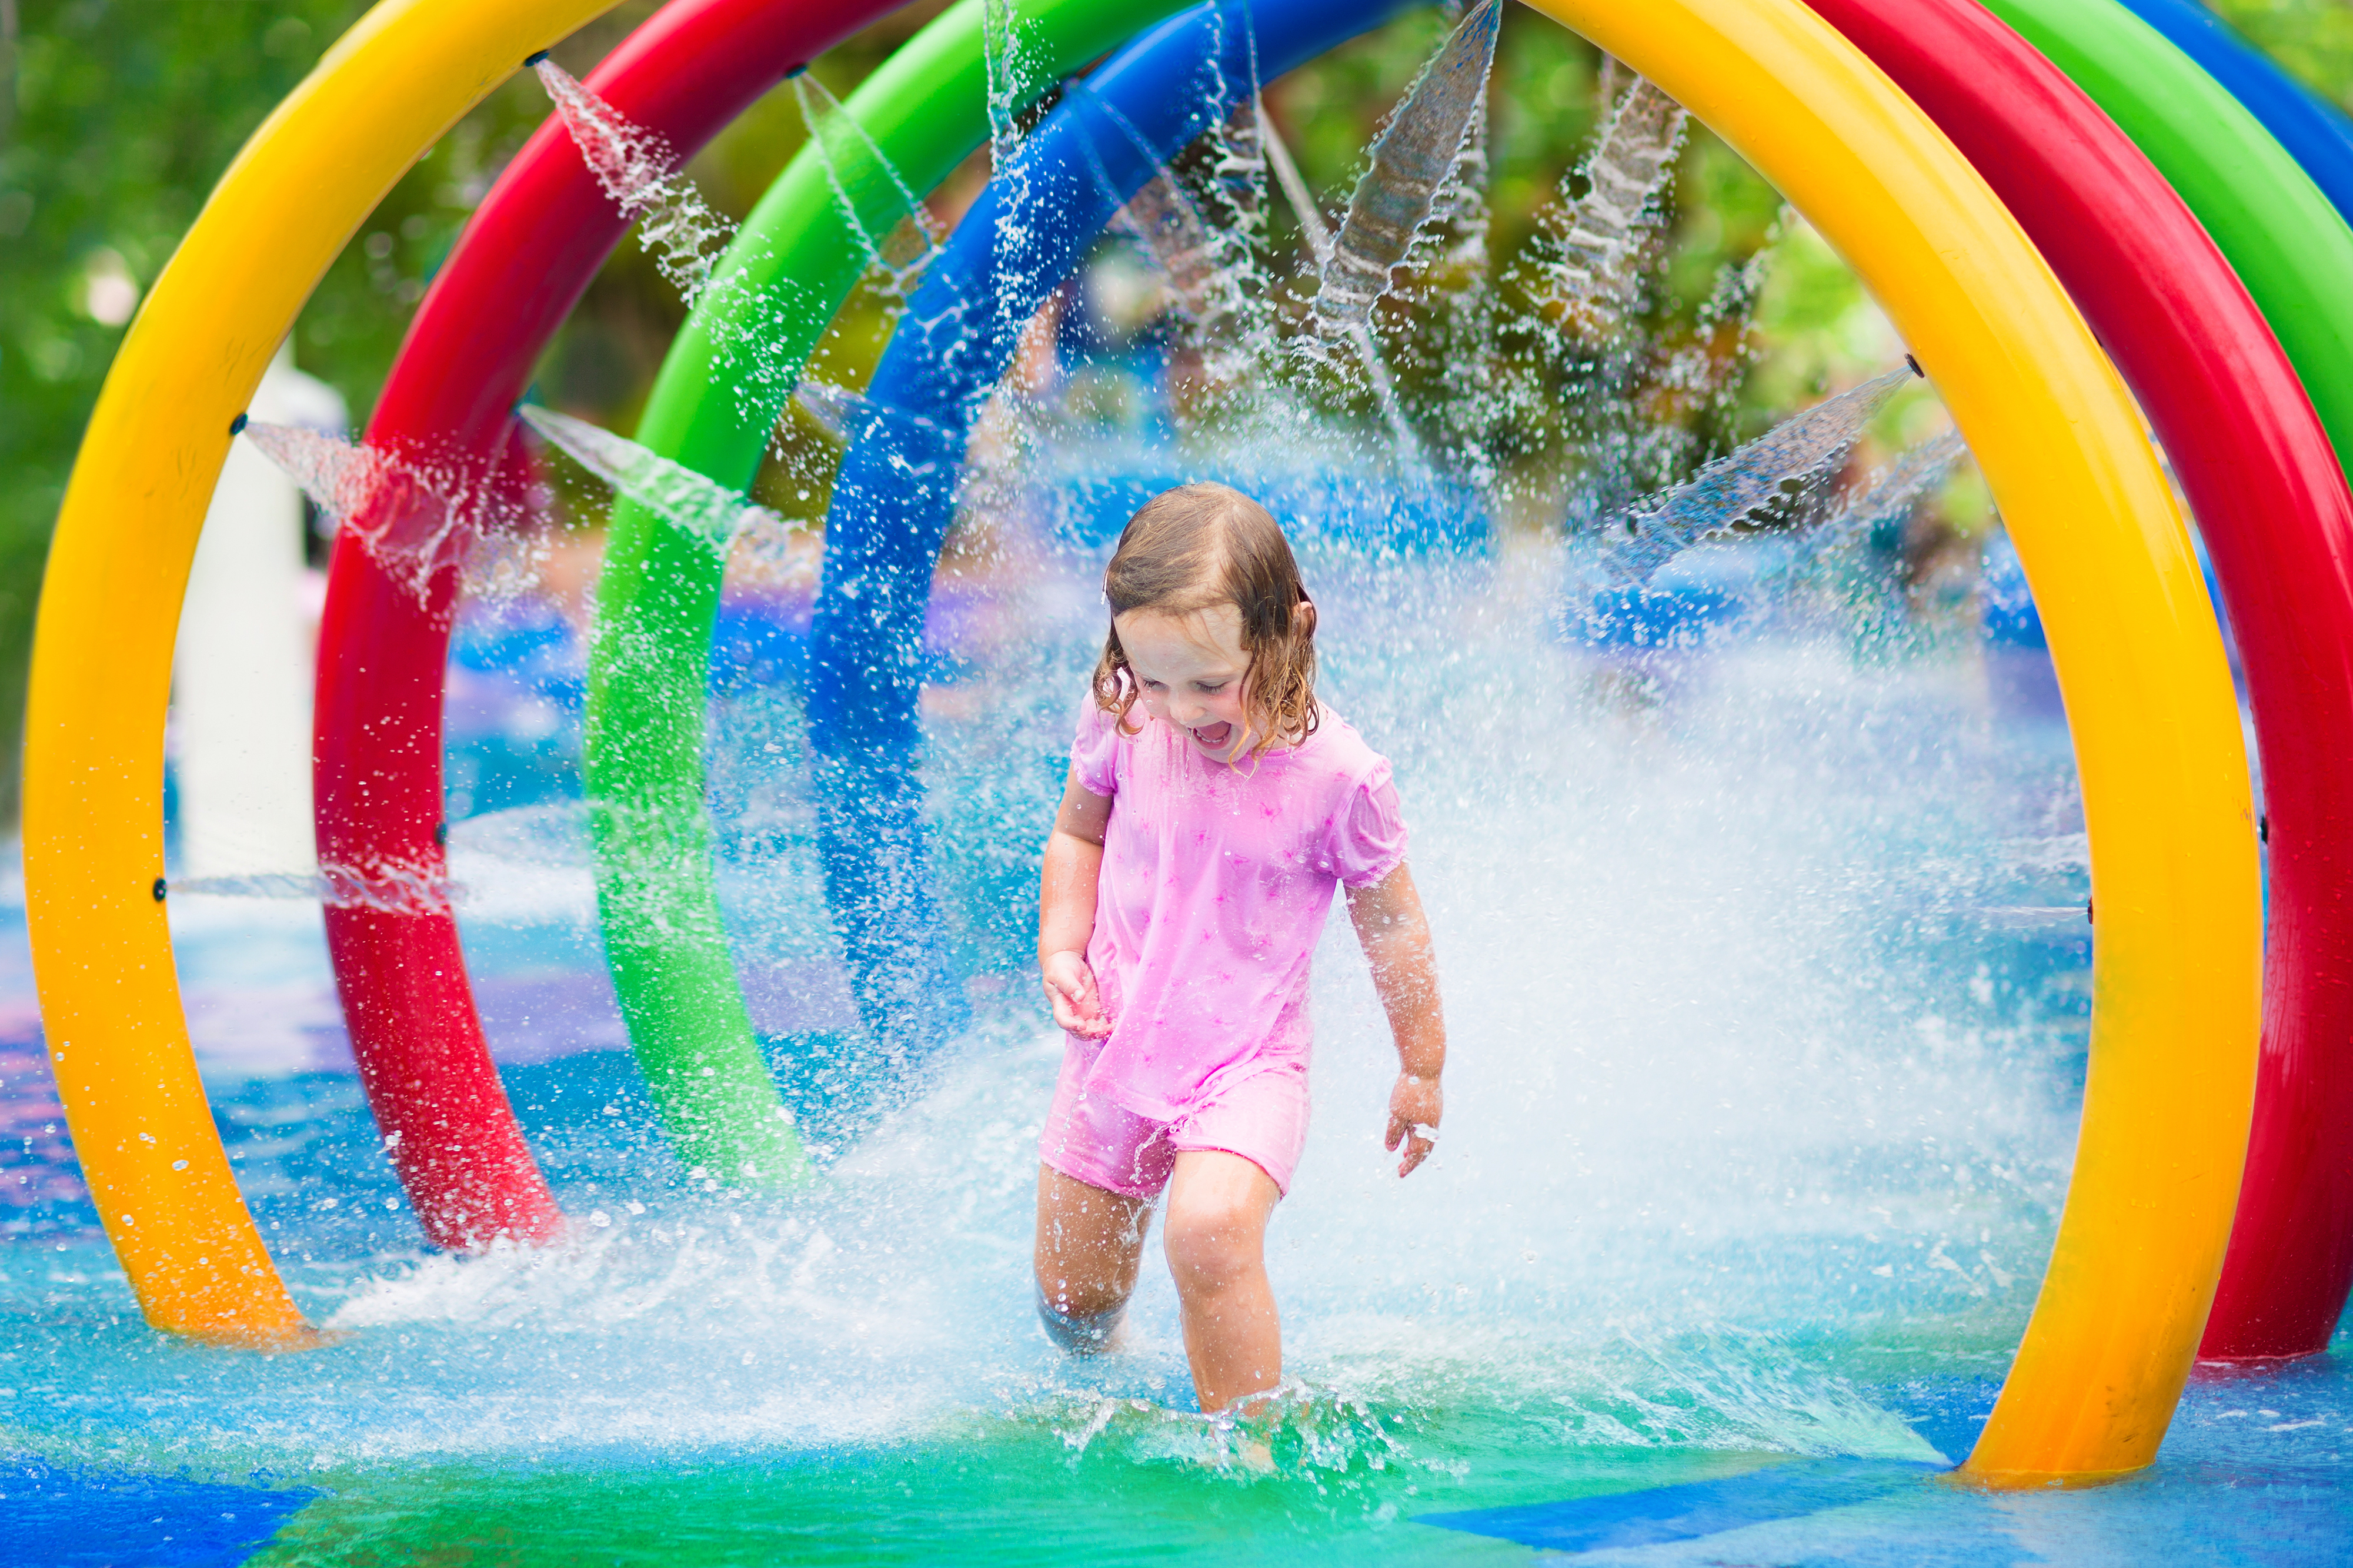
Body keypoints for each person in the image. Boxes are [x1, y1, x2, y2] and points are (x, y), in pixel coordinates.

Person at [1032, 480, 1447, 1416]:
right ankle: (1117, 1383)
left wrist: (1420, 1067)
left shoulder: (1341, 776)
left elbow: (1391, 927)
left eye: (1210, 682)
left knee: (1211, 1233)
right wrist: (1062, 944)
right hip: (1113, 1041)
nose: (1180, 709)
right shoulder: (1123, 714)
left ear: (1290, 631)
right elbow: (1079, 831)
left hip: (1246, 1061)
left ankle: (1247, 1454)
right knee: (1073, 1305)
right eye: (1153, 678)